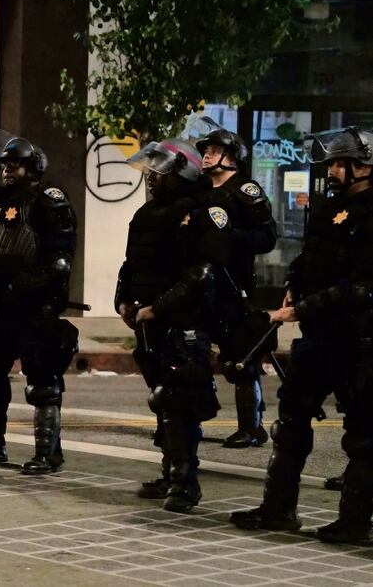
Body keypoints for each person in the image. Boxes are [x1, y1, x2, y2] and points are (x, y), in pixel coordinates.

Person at [231, 127, 373, 543]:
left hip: (359, 338)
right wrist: (293, 284)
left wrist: (301, 308)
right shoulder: (331, 208)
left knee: (364, 435)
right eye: (330, 163)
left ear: (362, 165)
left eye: (338, 163)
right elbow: (308, 257)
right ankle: (278, 510)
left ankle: (355, 522)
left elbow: (362, 285)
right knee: (290, 421)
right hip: (318, 336)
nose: (331, 170)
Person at [115, 138, 231, 513]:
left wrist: (159, 308)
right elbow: (131, 264)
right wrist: (124, 300)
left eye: (159, 170)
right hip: (150, 324)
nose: (150, 177)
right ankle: (169, 473)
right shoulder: (148, 213)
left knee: (180, 398)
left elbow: (201, 274)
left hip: (185, 320)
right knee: (163, 400)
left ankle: (185, 483)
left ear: (182, 173)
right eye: (150, 170)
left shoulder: (202, 210)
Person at [0, 131, 79, 474]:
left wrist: (23, 285)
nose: (9, 170)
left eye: (17, 165)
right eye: (6, 164)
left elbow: (59, 261)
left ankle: (47, 454)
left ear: (34, 168)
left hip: (33, 309)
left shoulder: (48, 202)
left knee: (42, 384)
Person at [195, 128, 278, 449]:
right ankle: (193, 419)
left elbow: (267, 238)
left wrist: (230, 236)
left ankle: (251, 427)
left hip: (233, 285)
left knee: (239, 357)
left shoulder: (245, 190)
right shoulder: (199, 190)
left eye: (214, 150)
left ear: (231, 156)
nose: (207, 154)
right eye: (206, 150)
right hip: (200, 284)